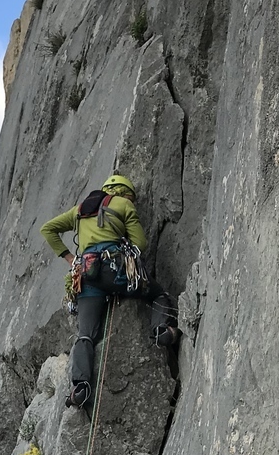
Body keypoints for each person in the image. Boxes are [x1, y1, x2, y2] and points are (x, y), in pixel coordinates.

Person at [40, 173, 179, 409]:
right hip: (116, 272)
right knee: (158, 295)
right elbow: (140, 244)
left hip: (87, 275)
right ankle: (161, 330)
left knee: (85, 334)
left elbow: (48, 229)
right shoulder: (123, 205)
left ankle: (81, 387)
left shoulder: (80, 209)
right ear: (124, 193)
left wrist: (71, 258)